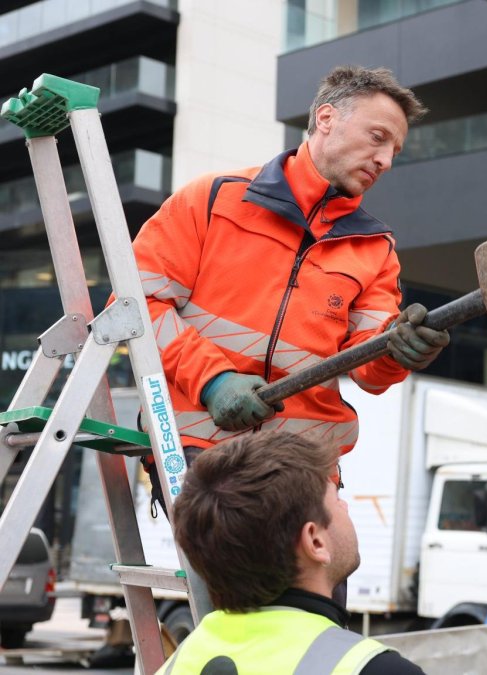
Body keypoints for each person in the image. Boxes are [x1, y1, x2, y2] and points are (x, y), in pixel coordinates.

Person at [133, 64, 448, 474]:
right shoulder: (212, 200)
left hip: (306, 463)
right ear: (326, 119)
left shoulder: (376, 248)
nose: (385, 160)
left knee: (340, 544)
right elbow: (137, 307)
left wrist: (398, 351)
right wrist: (212, 381)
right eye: (378, 138)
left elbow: (371, 372)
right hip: (200, 446)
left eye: (394, 151)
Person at [157, 430, 424, 674]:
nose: (345, 508)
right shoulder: (375, 669)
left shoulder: (175, 666)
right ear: (315, 542)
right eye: (336, 499)